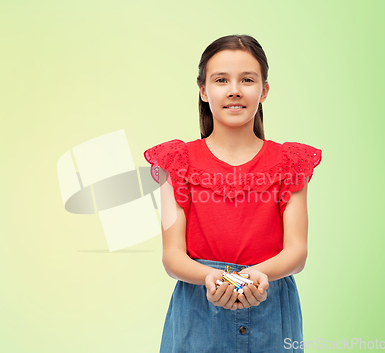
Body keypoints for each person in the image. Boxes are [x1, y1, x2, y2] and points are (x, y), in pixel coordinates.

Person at [143, 34, 322, 353]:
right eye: (221, 79)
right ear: (203, 90)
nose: (234, 89)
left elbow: (297, 251)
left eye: (248, 80)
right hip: (198, 311)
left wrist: (258, 275)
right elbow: (172, 256)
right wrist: (213, 278)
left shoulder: (289, 162)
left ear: (264, 90)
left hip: (271, 306)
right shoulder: (176, 162)